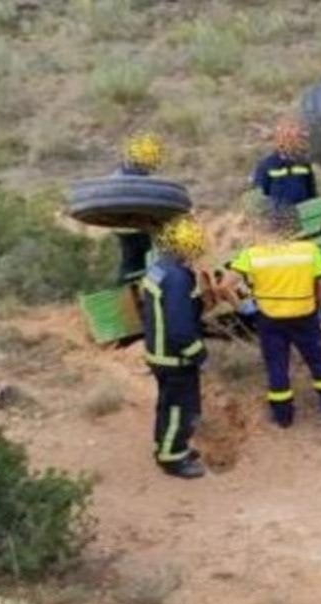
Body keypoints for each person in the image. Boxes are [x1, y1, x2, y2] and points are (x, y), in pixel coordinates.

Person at [229, 218, 321, 428]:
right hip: (304, 315)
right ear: (291, 229)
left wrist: (241, 306)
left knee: (277, 366)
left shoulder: (252, 254)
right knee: (318, 361)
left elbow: (225, 284)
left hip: (270, 319)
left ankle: (283, 417)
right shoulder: (309, 250)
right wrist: (316, 305)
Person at [140, 216, 209, 479]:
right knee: (183, 408)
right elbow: (180, 328)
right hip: (174, 357)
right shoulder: (178, 278)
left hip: (158, 352)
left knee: (167, 405)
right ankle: (173, 457)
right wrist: (198, 354)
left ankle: (164, 447)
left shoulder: (159, 268)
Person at [114, 132, 165, 283]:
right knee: (146, 258)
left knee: (132, 259)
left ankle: (130, 288)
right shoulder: (133, 177)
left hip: (126, 226)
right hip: (136, 226)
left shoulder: (120, 173)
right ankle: (146, 288)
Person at [250, 118, 317, 218]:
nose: (287, 143)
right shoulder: (267, 165)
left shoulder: (303, 163)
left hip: (305, 215)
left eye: (291, 139)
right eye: (283, 139)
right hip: (279, 220)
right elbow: (260, 194)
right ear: (277, 141)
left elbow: (311, 192)